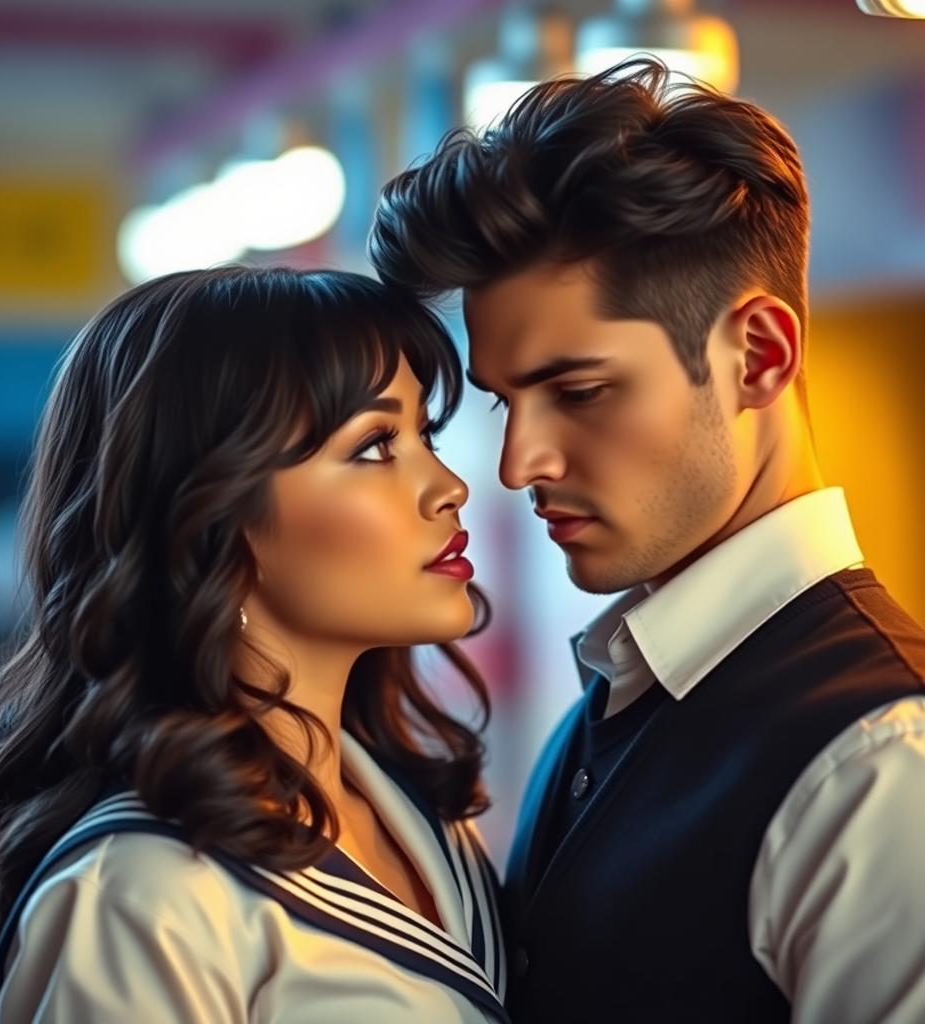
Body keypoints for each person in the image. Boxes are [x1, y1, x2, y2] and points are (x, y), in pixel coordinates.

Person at [369, 58, 925, 1023]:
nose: (519, 463)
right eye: (507, 402)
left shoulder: (884, 770)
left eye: (578, 392)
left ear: (758, 354)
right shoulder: (619, 691)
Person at [0, 267, 508, 1024]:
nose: (448, 486)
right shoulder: (137, 899)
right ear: (212, 513)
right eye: (374, 445)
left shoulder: (424, 809)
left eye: (423, 434)